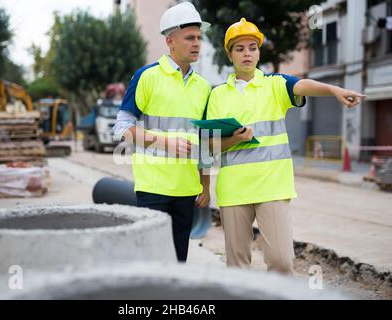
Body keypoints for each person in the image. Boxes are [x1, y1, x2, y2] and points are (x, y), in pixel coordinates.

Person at [206, 18, 365, 274]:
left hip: (273, 187)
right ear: (229, 54)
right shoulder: (216, 95)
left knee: (281, 262)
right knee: (236, 268)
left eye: (252, 47)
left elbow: (303, 85)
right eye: (240, 48)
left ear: (259, 52)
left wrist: (335, 90)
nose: (247, 53)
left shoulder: (274, 85)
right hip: (234, 191)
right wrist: (235, 139)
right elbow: (210, 145)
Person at [113, 2, 211, 262]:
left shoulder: (204, 87)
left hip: (187, 188)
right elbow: (122, 128)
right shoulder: (147, 77)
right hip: (153, 188)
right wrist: (166, 143)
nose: (197, 44)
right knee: (152, 261)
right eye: (190, 38)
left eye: (199, 38)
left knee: (178, 261)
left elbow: (205, 137)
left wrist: (205, 182)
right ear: (170, 40)